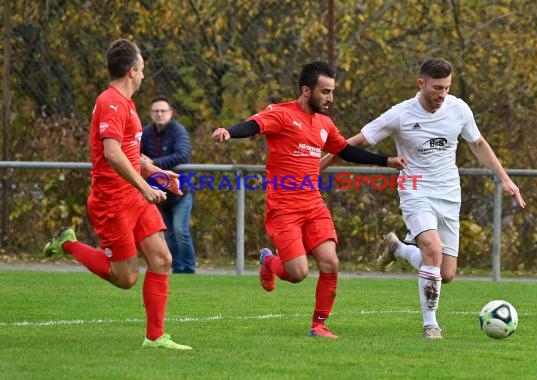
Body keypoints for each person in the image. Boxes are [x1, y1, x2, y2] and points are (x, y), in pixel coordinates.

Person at [320, 58, 526, 339]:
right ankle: (431, 325)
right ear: (422, 84)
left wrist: (505, 178)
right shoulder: (401, 114)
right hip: (415, 191)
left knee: (447, 273)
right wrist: (322, 163)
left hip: (450, 194)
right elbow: (355, 142)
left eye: (447, 88)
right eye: (437, 88)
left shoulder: (458, 109)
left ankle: (399, 249)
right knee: (432, 248)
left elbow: (478, 143)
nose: (442, 94)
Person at [211, 61, 407, 339]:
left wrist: (387, 161)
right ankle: (269, 262)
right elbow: (253, 125)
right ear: (306, 90)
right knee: (297, 273)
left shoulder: (325, 124)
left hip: (313, 205)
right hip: (284, 208)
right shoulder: (280, 114)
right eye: (325, 92)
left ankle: (318, 325)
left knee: (331, 263)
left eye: (332, 92)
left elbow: (346, 151)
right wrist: (229, 131)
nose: (330, 98)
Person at [43, 38, 192, 350]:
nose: (143, 76)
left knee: (162, 259)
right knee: (124, 278)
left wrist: (158, 174)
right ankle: (67, 243)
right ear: (132, 71)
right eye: (142, 70)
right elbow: (111, 153)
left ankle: (155, 338)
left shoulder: (127, 104)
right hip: (112, 201)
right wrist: (145, 187)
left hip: (134, 196)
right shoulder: (111, 102)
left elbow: (129, 153)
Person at [142, 96, 197, 274]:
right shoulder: (147, 132)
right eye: (156, 111)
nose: (159, 114)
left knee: (181, 231)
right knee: (169, 233)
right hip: (158, 192)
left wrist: (153, 163)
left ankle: (188, 268)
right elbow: (136, 153)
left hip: (181, 190)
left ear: (170, 113)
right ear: (151, 114)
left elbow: (183, 155)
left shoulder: (178, 130)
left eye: (163, 111)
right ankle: (176, 267)